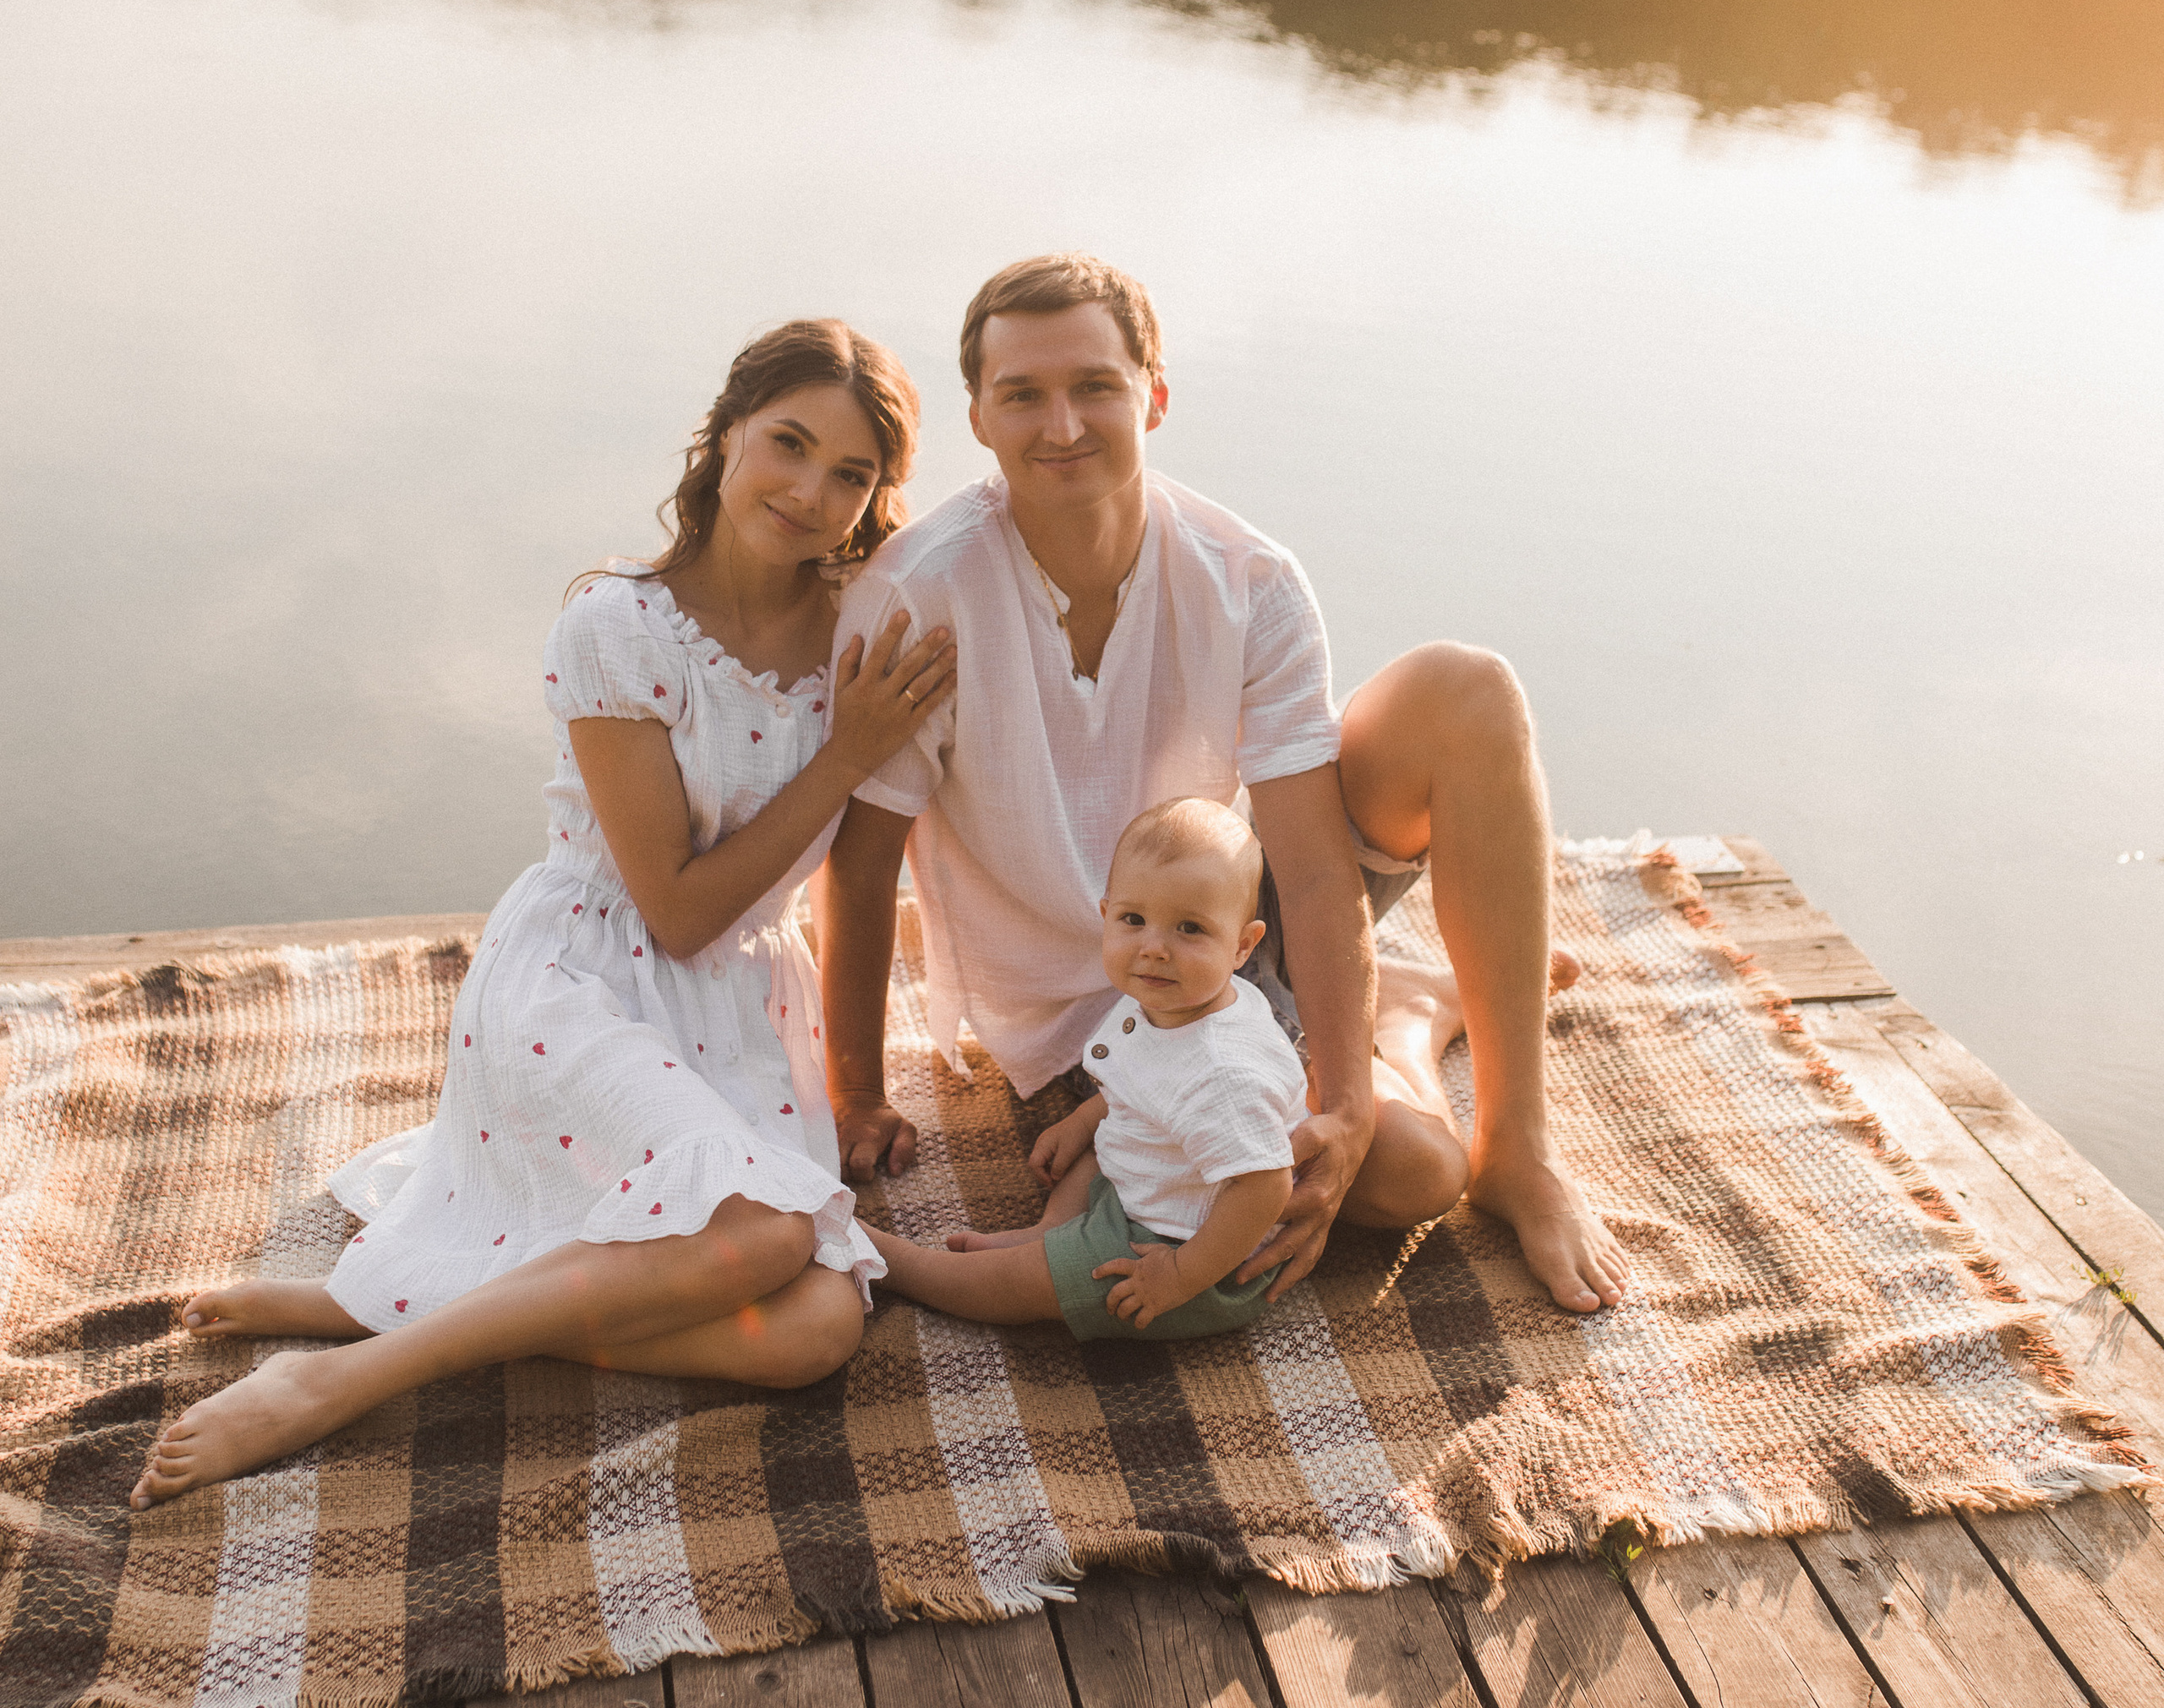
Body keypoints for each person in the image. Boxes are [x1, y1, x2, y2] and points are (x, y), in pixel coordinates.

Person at [130, 319, 957, 1512]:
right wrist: (845, 757)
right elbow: (676, 911)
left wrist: (860, 1088)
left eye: (851, 474)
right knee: (772, 1235)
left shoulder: (859, 634)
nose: (810, 493)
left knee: (817, 1329)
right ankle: (344, 1377)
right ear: (726, 433)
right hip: (585, 977)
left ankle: (419, 1300)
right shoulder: (617, 629)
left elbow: (858, 875)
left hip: (740, 1011)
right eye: (788, 443)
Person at [822, 255, 1627, 1317]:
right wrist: (855, 1092)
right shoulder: (918, 594)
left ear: (1153, 395)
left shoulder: (1247, 576)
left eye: (1095, 387)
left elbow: (1312, 864)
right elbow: (861, 866)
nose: (1061, 426)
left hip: (1227, 918)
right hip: (1099, 1008)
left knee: (1467, 689)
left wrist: (1342, 1104)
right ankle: (1406, 1017)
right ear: (977, 415)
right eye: (1022, 395)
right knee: (1416, 1179)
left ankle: (1518, 1149)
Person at [866, 797, 1311, 1340]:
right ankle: (1052, 1231)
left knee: (1026, 1284)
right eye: (1134, 920)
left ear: (1242, 946)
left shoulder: (1224, 1072)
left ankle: (905, 1267)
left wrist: (1179, 1275)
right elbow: (1144, 1084)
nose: (1154, 948)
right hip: (1161, 1178)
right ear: (1106, 916)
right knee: (1100, 1145)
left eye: (1190, 929)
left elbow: (1264, 1188)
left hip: (1194, 1247)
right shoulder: (1170, 998)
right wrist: (1081, 1121)